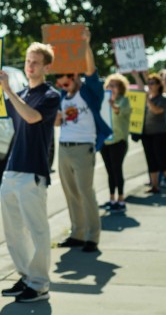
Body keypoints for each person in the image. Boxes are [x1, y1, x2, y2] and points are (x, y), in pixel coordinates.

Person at [0, 43, 61, 303]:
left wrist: (9, 90)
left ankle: (40, 284)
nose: (30, 66)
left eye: (35, 62)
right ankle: (27, 277)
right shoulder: (20, 93)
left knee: (37, 231)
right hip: (11, 169)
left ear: (47, 67)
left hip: (33, 171)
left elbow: (32, 117)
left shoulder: (50, 95)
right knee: (13, 232)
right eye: (27, 60)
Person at [53, 28, 111, 253]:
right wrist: (56, 119)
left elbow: (91, 70)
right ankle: (77, 233)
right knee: (70, 192)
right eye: (58, 79)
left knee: (86, 192)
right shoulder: (62, 96)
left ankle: (92, 237)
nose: (60, 83)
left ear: (74, 76)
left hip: (83, 148)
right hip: (64, 148)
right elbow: (59, 123)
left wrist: (86, 44)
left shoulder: (90, 92)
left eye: (64, 78)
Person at [133, 72, 166, 195]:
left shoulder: (162, 98)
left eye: (152, 83)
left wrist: (147, 99)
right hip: (147, 134)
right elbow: (141, 87)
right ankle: (154, 186)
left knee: (162, 159)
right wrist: (136, 75)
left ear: (159, 85)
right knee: (151, 160)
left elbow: (157, 110)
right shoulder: (149, 97)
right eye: (149, 83)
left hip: (160, 133)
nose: (150, 85)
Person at [99, 74, 132, 212]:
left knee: (117, 169)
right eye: (109, 85)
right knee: (109, 171)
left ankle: (121, 199)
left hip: (118, 141)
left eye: (114, 86)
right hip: (105, 141)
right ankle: (112, 199)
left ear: (120, 88)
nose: (111, 88)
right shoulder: (102, 101)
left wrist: (111, 103)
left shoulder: (124, 101)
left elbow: (118, 111)